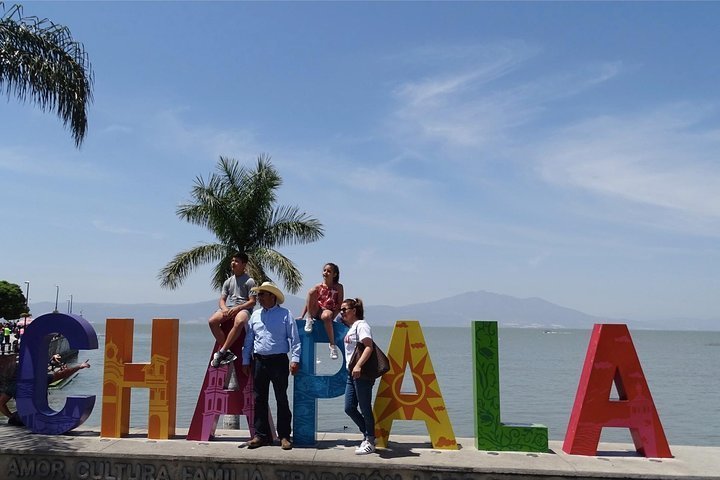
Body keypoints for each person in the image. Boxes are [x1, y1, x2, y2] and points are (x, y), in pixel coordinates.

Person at [241, 282, 300, 450]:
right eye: (259, 294)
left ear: (272, 296)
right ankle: (261, 435)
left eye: (262, 294)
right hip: (259, 361)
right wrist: (246, 360)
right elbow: (249, 340)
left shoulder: (285, 314)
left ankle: (284, 436)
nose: (259, 298)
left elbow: (294, 340)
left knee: (281, 398)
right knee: (259, 399)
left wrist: (295, 360)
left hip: (279, 361)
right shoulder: (256, 315)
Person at [0, 359, 91, 426]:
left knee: (14, 419)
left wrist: (10, 416)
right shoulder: (41, 380)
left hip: (24, 418)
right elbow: (63, 374)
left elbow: (1, 403)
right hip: (42, 416)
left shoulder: (14, 385)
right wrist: (79, 366)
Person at [340, 297, 376, 455]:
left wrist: (359, 365)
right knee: (349, 407)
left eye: (344, 310)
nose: (342, 313)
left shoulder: (361, 325)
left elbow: (369, 347)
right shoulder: (351, 327)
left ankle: (370, 440)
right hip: (351, 373)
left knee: (365, 407)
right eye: (341, 310)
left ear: (354, 311)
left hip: (361, 373)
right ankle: (367, 434)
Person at [209, 252, 257, 367]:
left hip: (243, 309)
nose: (233, 263)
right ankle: (227, 353)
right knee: (212, 321)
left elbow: (252, 301)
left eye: (236, 261)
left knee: (240, 321)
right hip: (229, 308)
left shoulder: (250, 281)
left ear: (243, 264)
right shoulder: (228, 281)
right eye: (232, 261)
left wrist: (239, 308)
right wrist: (224, 309)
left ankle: (222, 351)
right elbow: (222, 300)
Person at [300, 262, 344, 359]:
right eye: (324, 270)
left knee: (326, 316)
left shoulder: (338, 287)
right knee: (311, 291)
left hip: (328, 311)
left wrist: (333, 316)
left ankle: (332, 345)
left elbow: (339, 304)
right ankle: (309, 319)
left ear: (334, 274)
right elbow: (309, 302)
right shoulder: (318, 286)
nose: (325, 273)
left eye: (329, 271)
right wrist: (303, 315)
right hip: (316, 310)